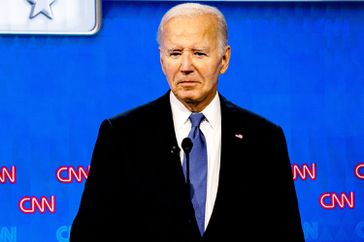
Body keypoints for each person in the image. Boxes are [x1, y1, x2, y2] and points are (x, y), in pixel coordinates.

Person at [70, 2, 305, 242]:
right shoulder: (122, 136)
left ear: (224, 59)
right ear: (162, 61)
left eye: (199, 53)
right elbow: (89, 236)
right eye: (175, 53)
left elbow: (286, 235)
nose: (185, 67)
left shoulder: (264, 139)